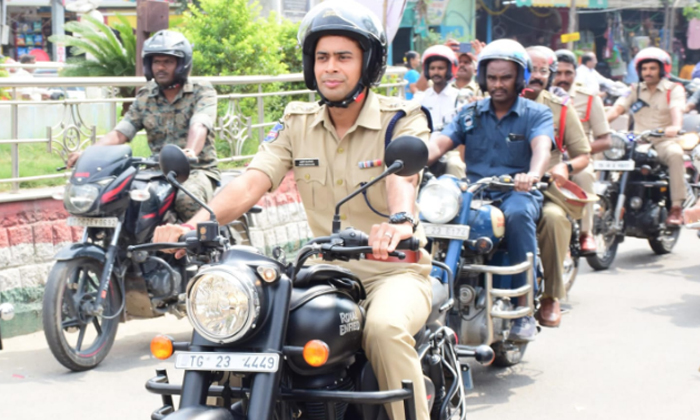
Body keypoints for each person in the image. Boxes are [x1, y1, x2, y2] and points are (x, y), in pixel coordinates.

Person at [153, 2, 433, 419]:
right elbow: (252, 181)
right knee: (241, 322)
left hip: (392, 270)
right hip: (323, 273)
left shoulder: (401, 118)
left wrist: (398, 223)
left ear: (367, 64)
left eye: (343, 57)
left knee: (384, 330)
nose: (330, 68)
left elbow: (402, 181)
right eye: (322, 57)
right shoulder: (296, 122)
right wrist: (192, 227)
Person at [427, 39, 554, 341]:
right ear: (483, 78)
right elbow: (440, 142)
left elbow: (542, 148)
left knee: (519, 213)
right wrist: (411, 157)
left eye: (506, 77)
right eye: (492, 77)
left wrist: (533, 174)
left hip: (516, 191)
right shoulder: (470, 113)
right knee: (433, 215)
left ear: (520, 79)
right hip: (474, 193)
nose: (498, 84)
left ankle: (523, 308)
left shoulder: (536, 114)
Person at [66, 30, 219, 221]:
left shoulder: (200, 90)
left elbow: (200, 123)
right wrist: (90, 153)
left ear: (182, 64)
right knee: (120, 197)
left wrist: (189, 151)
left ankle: (204, 246)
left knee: (187, 199)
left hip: (196, 170)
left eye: (168, 62)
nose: (160, 68)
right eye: (156, 62)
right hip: (156, 170)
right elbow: (121, 132)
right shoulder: (146, 95)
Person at [524, 46, 591, 327]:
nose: (536, 76)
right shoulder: (495, 102)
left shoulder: (560, 109)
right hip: (498, 184)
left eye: (543, 70)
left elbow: (583, 154)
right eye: (531, 68)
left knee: (553, 219)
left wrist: (566, 167)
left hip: (543, 187)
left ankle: (551, 295)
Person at [606, 47, 686, 225]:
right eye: (644, 69)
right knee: (608, 149)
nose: (647, 73)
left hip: (663, 139)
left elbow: (676, 109)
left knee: (676, 155)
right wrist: (602, 124)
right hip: (637, 139)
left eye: (652, 68)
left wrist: (675, 126)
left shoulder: (673, 89)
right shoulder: (635, 89)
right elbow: (618, 108)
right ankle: (604, 198)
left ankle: (676, 208)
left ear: (662, 69)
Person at [555, 49, 612, 254]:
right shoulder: (539, 96)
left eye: (568, 73)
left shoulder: (587, 98)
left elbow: (605, 140)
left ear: (575, 74)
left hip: (578, 162)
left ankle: (586, 233)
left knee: (585, 176)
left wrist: (577, 154)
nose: (562, 78)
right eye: (558, 73)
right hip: (545, 160)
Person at [413, 45, 465, 178]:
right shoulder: (420, 98)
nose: (436, 72)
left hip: (451, 150)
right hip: (424, 149)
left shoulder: (459, 97)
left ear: (449, 70)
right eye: (432, 68)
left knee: (456, 165)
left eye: (440, 68)